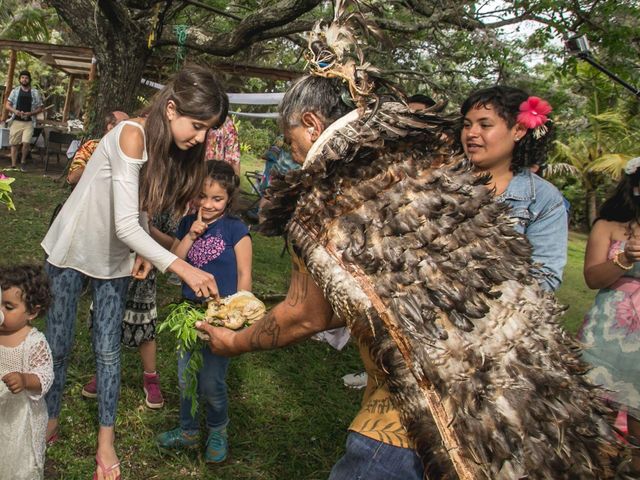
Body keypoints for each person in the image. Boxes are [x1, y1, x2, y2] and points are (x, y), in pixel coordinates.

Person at [195, 75, 425, 480]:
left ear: (313, 124)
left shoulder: (326, 190)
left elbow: (306, 315)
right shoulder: (406, 166)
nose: (293, 151)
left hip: (410, 410)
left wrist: (234, 341)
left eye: (291, 138)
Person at [41, 65, 228, 480]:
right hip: (71, 249)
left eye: (206, 130)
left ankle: (105, 442)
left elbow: (134, 214)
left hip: (115, 258)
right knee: (58, 345)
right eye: (197, 126)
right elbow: (123, 222)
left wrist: (143, 246)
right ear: (172, 107)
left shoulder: (165, 146)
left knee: (108, 351)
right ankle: (49, 417)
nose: (200, 138)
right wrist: (181, 266)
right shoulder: (131, 134)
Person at [157, 160, 252, 464]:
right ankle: (187, 431)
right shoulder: (188, 223)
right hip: (189, 314)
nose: (207, 205)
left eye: (217, 199)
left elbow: (244, 274)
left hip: (221, 317)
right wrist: (191, 235)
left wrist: (238, 315)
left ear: (229, 199)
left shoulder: (236, 229)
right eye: (202, 196)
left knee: (211, 381)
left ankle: (217, 431)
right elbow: (173, 264)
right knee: (187, 379)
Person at [460, 85, 568, 291]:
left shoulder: (544, 199)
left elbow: (545, 278)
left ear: (518, 130)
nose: (471, 133)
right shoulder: (438, 178)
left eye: (485, 125)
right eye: (466, 125)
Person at [81, 210, 178, 409]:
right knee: (105, 321)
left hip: (142, 276)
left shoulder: (162, 204)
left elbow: (173, 246)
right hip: (110, 267)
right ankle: (103, 371)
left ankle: (150, 378)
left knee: (145, 328)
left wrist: (149, 230)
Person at [579, 158, 640, 472]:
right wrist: (625, 258)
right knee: (588, 422)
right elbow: (591, 279)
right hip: (606, 336)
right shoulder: (607, 226)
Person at [0, 264, 53, 479]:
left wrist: (25, 379)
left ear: (32, 311)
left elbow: (45, 375)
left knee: (18, 460)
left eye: (8, 307)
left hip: (20, 417)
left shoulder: (33, 342)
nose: (1, 313)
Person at [67, 111, 130, 185]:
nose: (130, 129)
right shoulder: (92, 146)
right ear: (110, 127)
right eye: (125, 125)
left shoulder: (129, 150)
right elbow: (73, 178)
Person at [5, 70, 44, 172]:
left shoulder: (35, 92)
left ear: (29, 80)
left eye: (26, 78)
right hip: (16, 121)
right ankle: (13, 165)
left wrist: (30, 113)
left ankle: (23, 163)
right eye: (22, 77)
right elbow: (7, 105)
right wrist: (15, 111)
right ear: (19, 79)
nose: (24, 79)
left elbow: (40, 108)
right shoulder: (15, 91)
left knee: (26, 142)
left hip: (29, 121)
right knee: (14, 144)